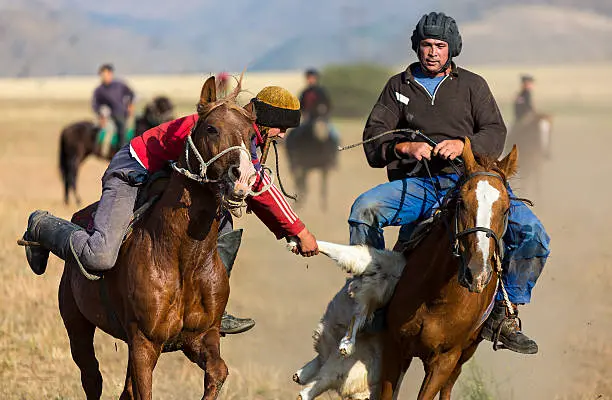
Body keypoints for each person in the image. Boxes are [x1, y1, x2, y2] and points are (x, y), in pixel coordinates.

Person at [22, 85, 319, 335]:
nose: (282, 135)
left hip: (168, 176)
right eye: (282, 127)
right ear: (266, 121)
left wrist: (286, 230)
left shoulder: (242, 133)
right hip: (134, 170)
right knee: (99, 255)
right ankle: (43, 227)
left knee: (222, 226)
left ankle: (214, 308)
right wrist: (298, 230)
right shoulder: (224, 131)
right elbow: (258, 186)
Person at [348, 12, 550, 354]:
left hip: (473, 184)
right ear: (417, 46)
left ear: (451, 48)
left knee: (533, 234)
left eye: (440, 45)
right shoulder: (398, 86)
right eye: (426, 44)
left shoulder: (473, 85)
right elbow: (373, 139)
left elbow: (495, 132)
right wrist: (404, 147)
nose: (432, 52)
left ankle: (503, 311)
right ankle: (372, 301)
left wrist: (462, 145)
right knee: (364, 208)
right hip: (421, 184)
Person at [92, 64, 135, 152]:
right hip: (110, 116)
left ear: (111, 74)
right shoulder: (99, 90)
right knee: (120, 128)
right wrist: (101, 115)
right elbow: (96, 104)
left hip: (124, 113)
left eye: (106, 74)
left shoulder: (120, 85)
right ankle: (122, 152)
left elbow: (131, 93)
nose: (104, 77)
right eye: (102, 75)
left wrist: (130, 105)